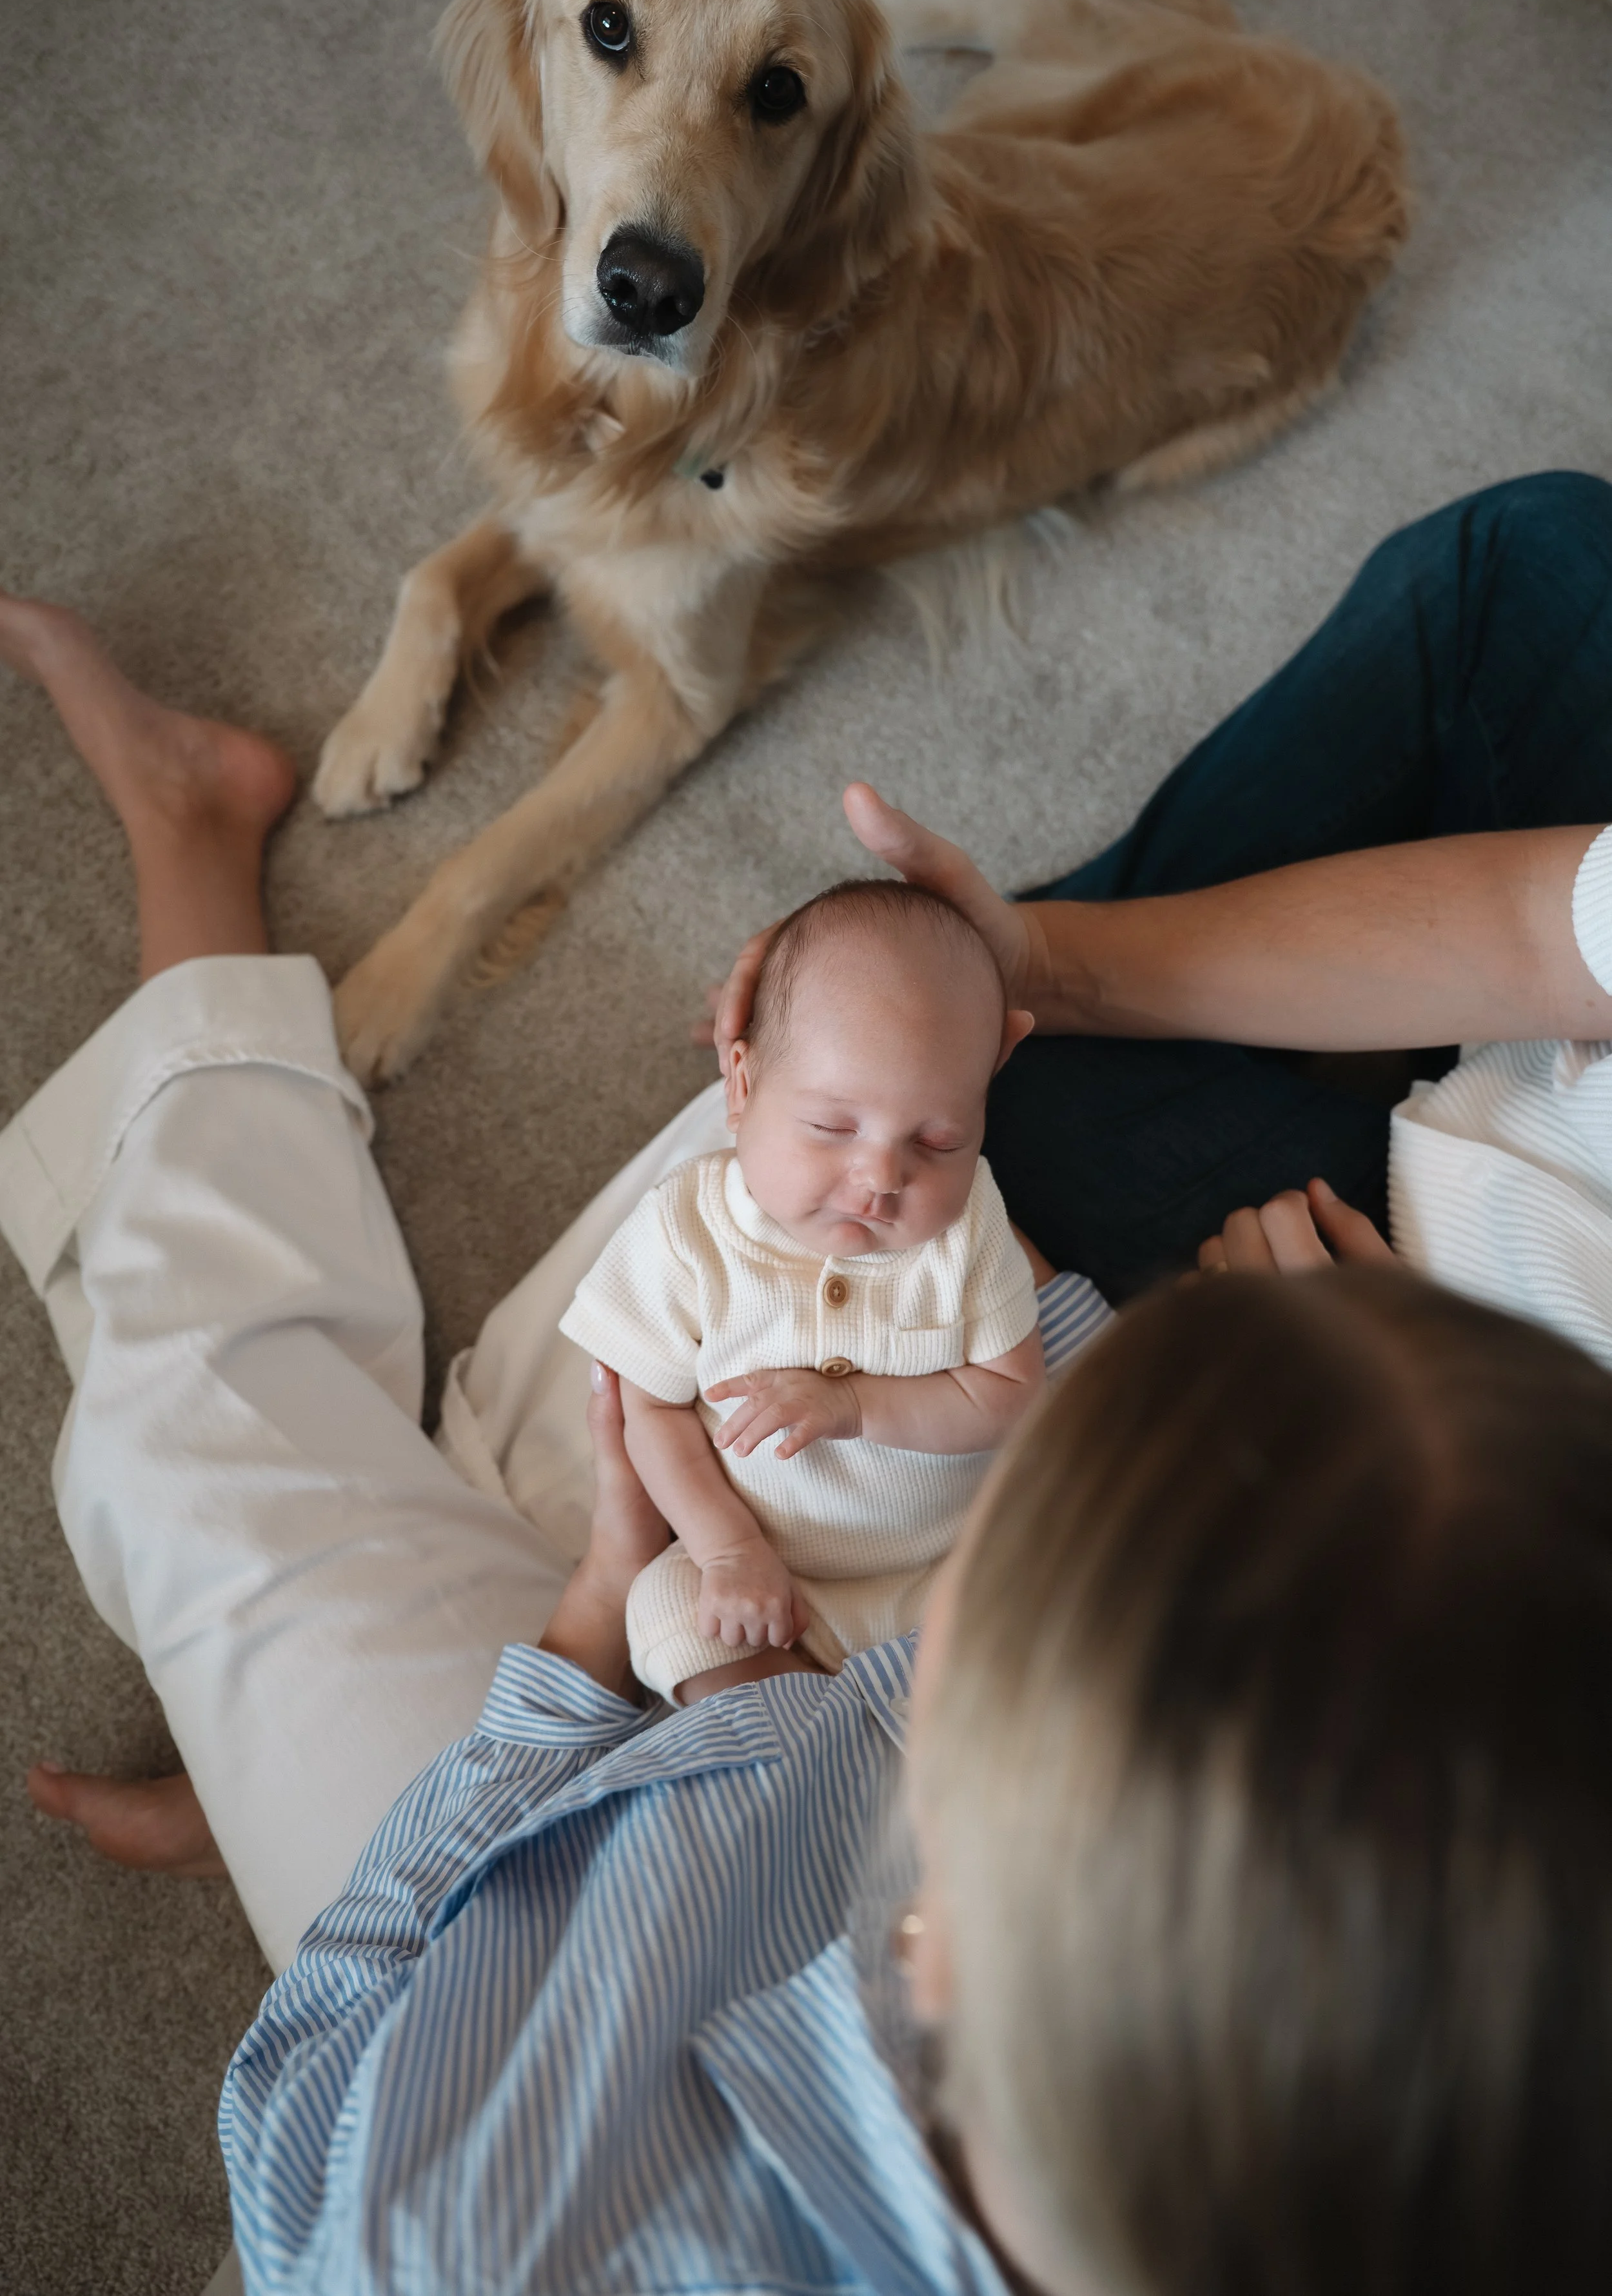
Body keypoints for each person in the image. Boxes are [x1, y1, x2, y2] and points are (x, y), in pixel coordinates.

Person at [5, 467, 1612, 2291]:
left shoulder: (413, 2217)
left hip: (603, 1737)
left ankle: (190, 835)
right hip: (767, 1649)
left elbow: (310, 2077)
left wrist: (584, 1657)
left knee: (187, 1451)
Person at [559, 880, 1044, 1703]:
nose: (882, 1178)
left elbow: (1009, 1396)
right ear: (741, 1090)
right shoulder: (688, 1229)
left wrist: (855, 1405)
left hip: (961, 1565)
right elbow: (653, 1409)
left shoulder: (966, 1229)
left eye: (938, 1140)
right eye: (832, 1129)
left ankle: (915, 1739)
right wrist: (724, 1551)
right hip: (777, 1579)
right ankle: (789, 1734)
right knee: (667, 1612)